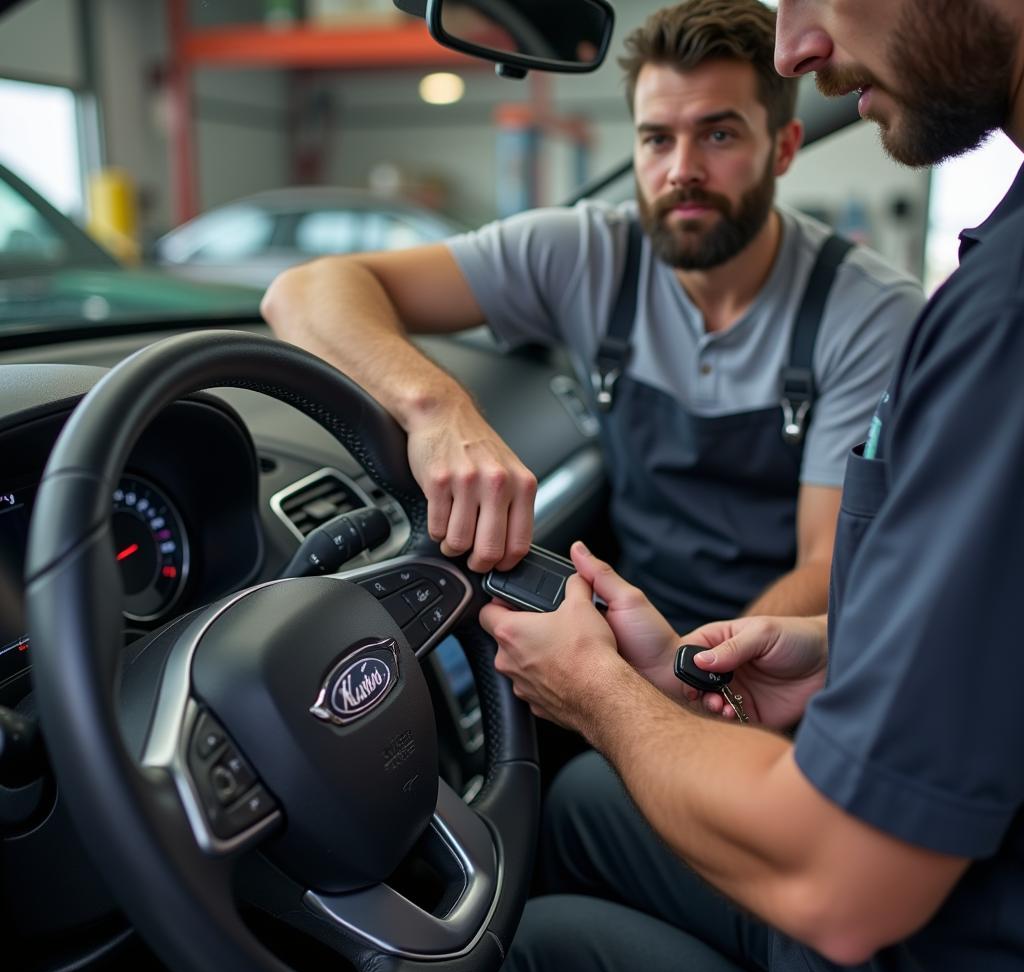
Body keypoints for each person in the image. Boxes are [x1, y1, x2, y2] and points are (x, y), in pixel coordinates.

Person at [466, 0, 1024, 972]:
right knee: (584, 804)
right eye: (654, 137)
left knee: (534, 957)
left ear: (782, 152)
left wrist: (600, 694)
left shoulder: (988, 319)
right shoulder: (995, 271)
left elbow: (846, 892)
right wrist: (832, 646)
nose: (796, 46)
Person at [261, 0, 923, 631]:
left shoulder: (867, 313)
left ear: (782, 148)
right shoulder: (585, 253)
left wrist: (690, 675)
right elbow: (306, 289)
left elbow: (823, 566)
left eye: (718, 134)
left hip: (785, 662)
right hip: (632, 627)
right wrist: (436, 410)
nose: (680, 171)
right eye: (657, 139)